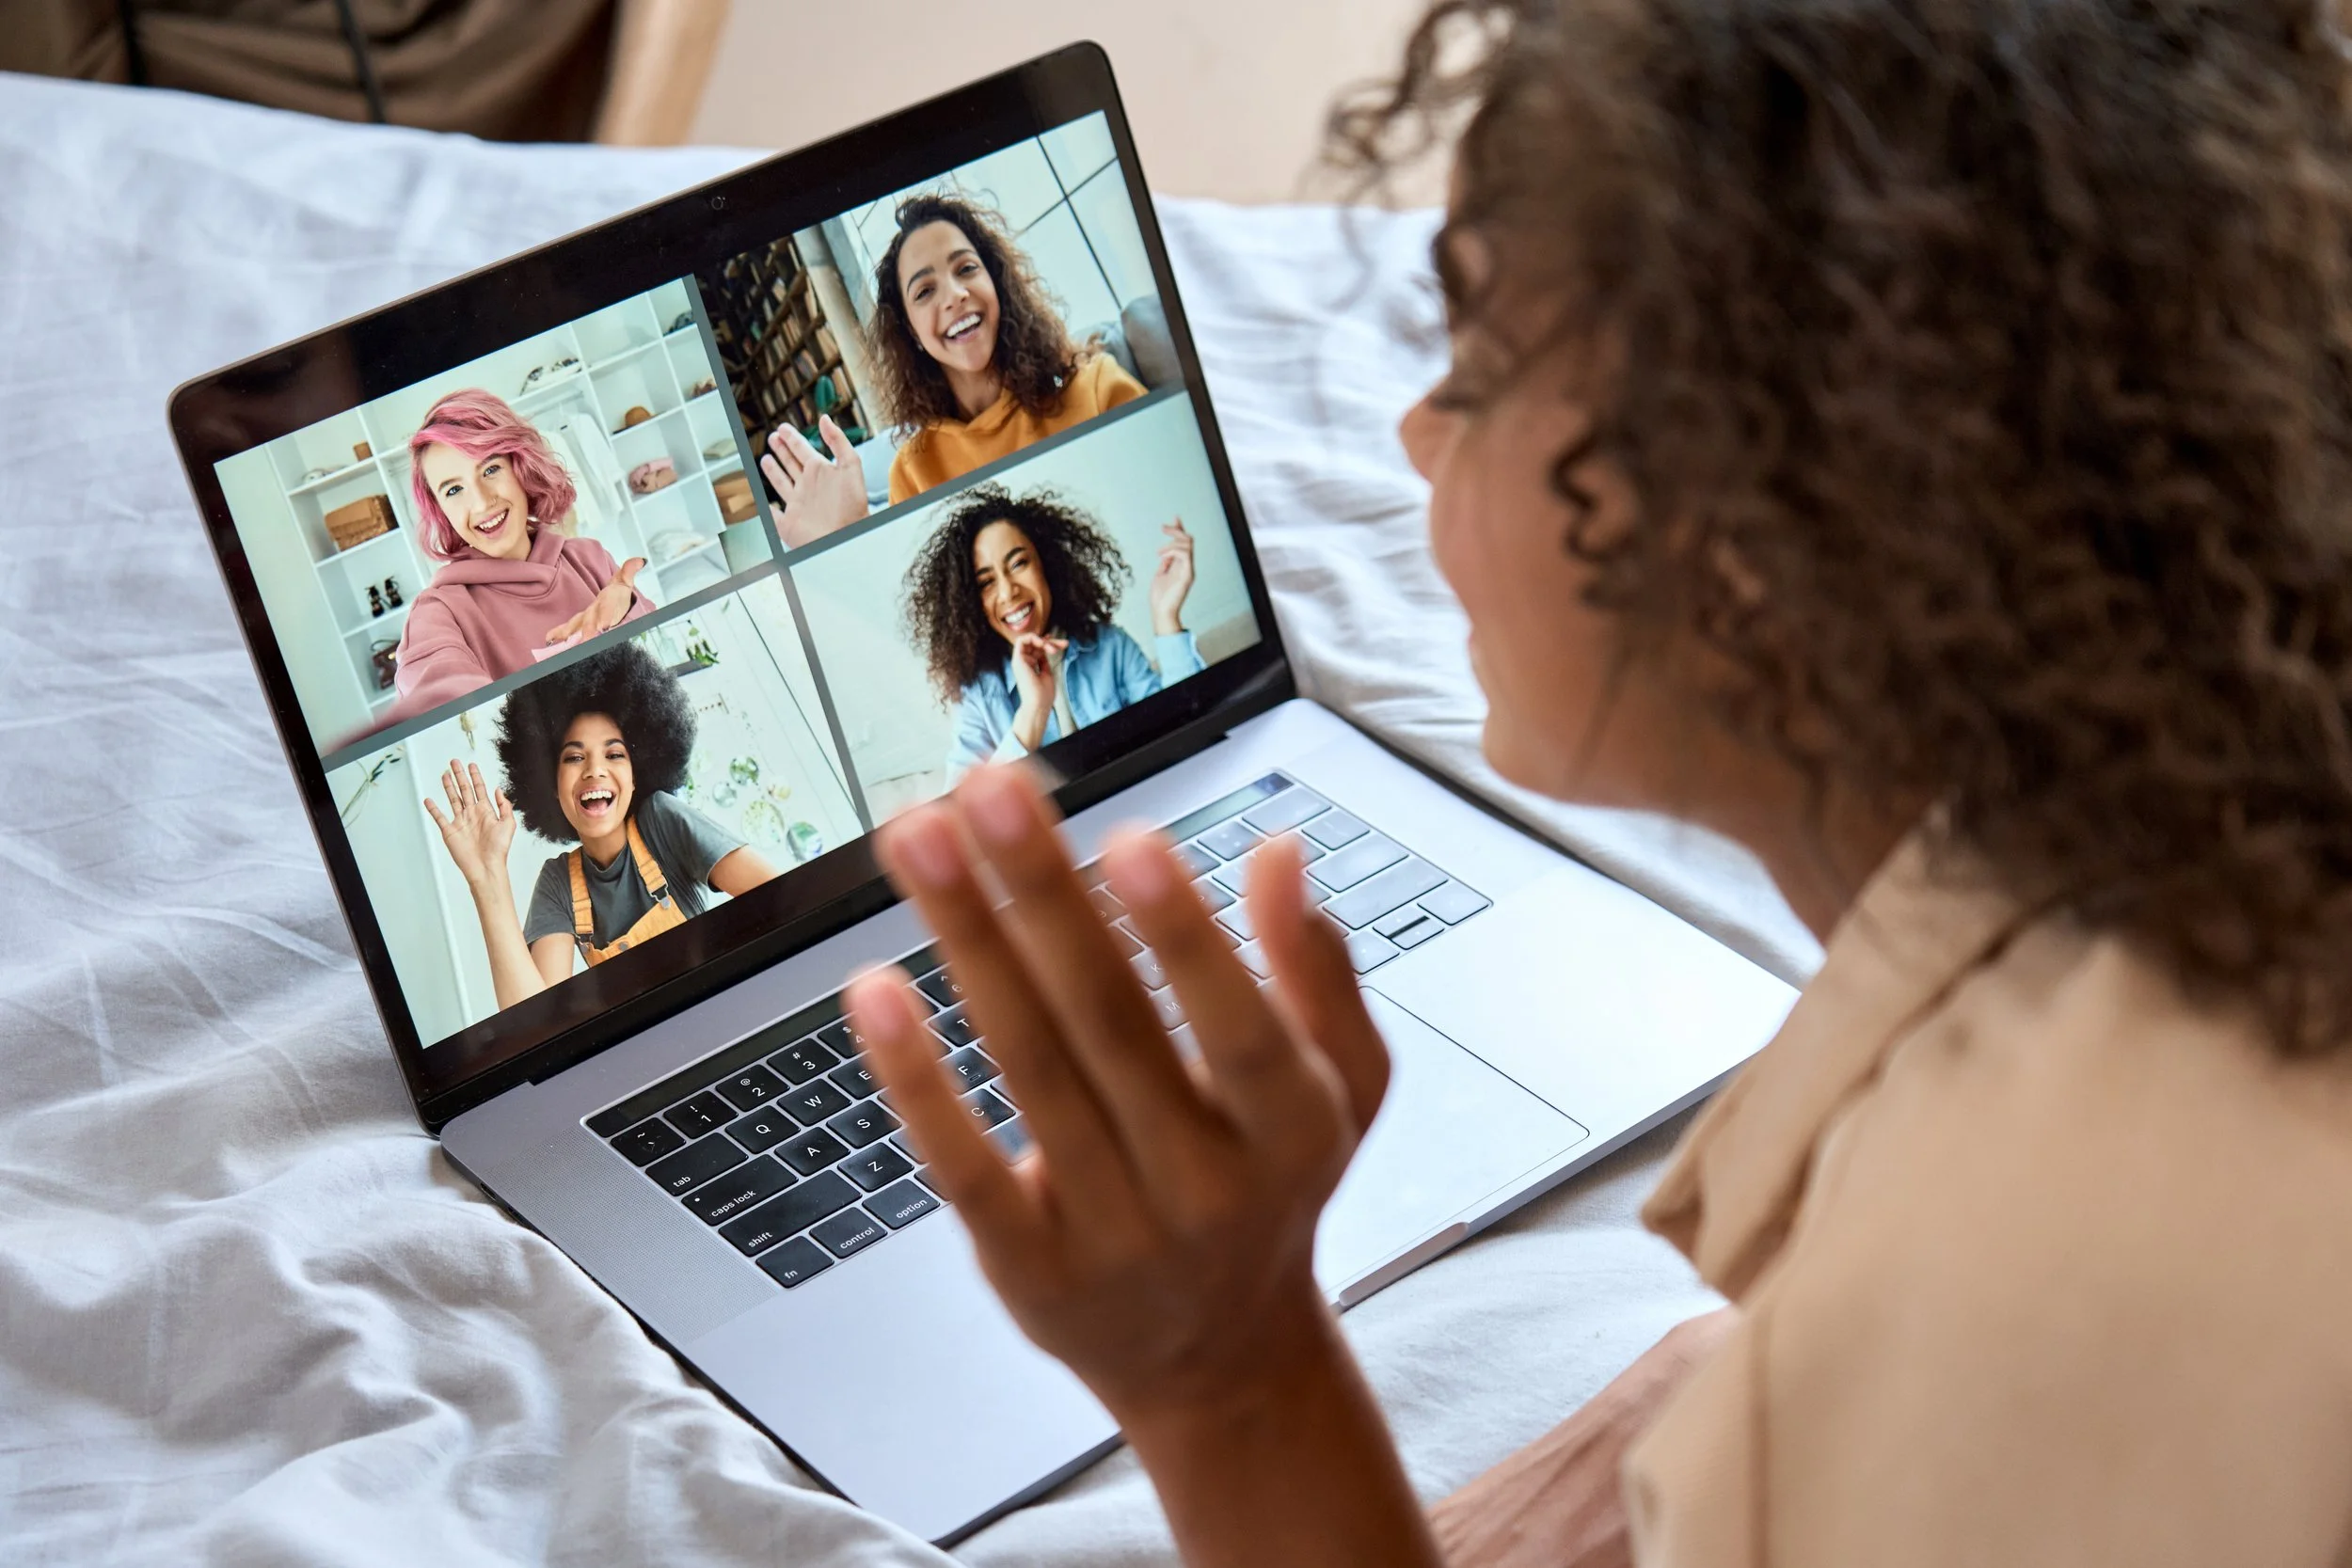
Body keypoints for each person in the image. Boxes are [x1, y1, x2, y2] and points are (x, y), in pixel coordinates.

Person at [835, 0, 2352, 1564]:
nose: (1418, 427)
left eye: (1480, 369)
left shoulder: (1973, 1312)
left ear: (1759, 522)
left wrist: (1223, 1369)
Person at [757, 193, 1148, 546]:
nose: (955, 295)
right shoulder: (913, 470)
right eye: (925, 291)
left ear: (996, 281)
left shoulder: (1096, 388)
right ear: (911, 331)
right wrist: (853, 538)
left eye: (966, 269)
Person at [423, 641, 779, 1011]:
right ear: (551, 786)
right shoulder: (558, 882)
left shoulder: (662, 820)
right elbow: (534, 1024)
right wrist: (487, 876)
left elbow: (781, 899)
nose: (594, 769)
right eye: (575, 757)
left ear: (637, 773)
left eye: (614, 754)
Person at [902, 483, 1198, 782]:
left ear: (1046, 563)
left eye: (1018, 563)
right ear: (969, 603)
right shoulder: (979, 698)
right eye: (985, 582)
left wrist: (1166, 616)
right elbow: (965, 816)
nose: (1008, 592)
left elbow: (1187, 731)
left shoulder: (1110, 647)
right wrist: (1033, 710)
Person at [388, 389, 653, 721]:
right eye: (454, 490)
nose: (482, 503)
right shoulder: (438, 613)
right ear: (442, 512)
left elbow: (658, 668)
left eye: (490, 470)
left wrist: (629, 614)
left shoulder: (589, 557)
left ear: (520, 466)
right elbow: (438, 695)